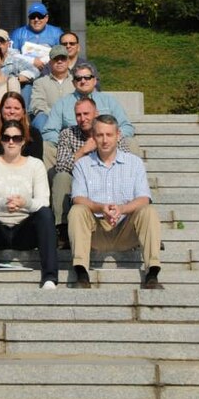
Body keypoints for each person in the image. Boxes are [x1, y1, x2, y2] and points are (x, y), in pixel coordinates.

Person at [69, 114, 162, 290]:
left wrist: (122, 209)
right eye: (100, 135)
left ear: (118, 135)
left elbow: (144, 197)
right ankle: (81, 272)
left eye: (109, 135)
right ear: (93, 136)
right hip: (96, 230)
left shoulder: (134, 163)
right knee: (77, 210)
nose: (105, 140)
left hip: (126, 230)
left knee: (148, 210)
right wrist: (100, 208)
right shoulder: (82, 164)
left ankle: (152, 272)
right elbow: (77, 197)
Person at [0, 120, 58, 290]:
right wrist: (3, 203)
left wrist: (25, 203)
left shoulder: (36, 165)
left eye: (16, 138)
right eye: (7, 137)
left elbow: (43, 201)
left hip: (24, 230)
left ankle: (50, 278)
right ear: (0, 140)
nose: (11, 142)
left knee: (45, 214)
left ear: (23, 141)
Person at [51, 97, 140, 247]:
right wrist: (83, 150)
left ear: (96, 113)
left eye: (86, 113)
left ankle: (135, 227)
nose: (82, 118)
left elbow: (126, 161)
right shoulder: (68, 134)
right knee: (61, 177)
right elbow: (60, 166)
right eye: (78, 115)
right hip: (79, 180)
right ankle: (63, 228)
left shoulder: (108, 130)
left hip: (108, 175)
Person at [42, 62, 135, 162]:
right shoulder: (62, 103)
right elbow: (49, 132)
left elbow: (126, 127)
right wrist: (68, 143)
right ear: (73, 83)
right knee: (46, 146)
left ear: (94, 81)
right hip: (73, 148)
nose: (83, 81)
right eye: (78, 78)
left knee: (131, 142)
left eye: (87, 77)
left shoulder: (109, 101)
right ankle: (57, 177)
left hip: (106, 147)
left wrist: (108, 139)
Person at [0, 91, 43, 161]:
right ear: (1, 110)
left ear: (23, 112)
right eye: (8, 108)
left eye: (16, 108)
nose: (12, 111)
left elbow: (37, 163)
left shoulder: (34, 134)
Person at [30, 45, 75, 132]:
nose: (59, 61)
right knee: (40, 118)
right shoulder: (40, 82)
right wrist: (56, 116)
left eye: (63, 58)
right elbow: (38, 105)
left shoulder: (76, 81)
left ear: (68, 61)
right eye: (56, 59)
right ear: (50, 62)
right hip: (48, 120)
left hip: (72, 120)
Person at [10, 3, 63, 71]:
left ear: (46, 18)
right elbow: (12, 55)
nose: (36, 19)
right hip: (25, 72)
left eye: (40, 16)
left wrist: (43, 61)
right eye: (33, 16)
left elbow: (62, 54)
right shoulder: (17, 33)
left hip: (50, 73)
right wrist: (32, 61)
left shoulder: (57, 33)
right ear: (29, 18)